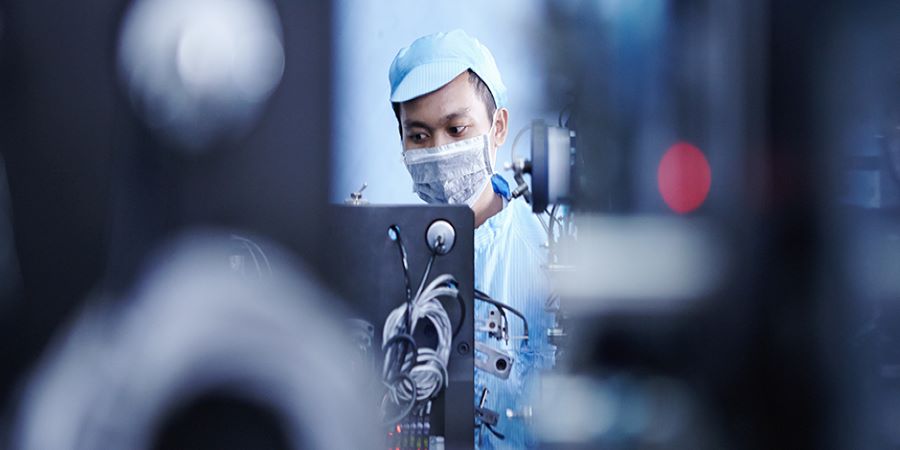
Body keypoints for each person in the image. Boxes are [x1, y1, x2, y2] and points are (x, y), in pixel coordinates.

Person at [389, 29, 556, 449]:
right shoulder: (388, 255)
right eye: (419, 136)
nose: (438, 150)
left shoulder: (548, 247)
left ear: (498, 127)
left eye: (457, 129)